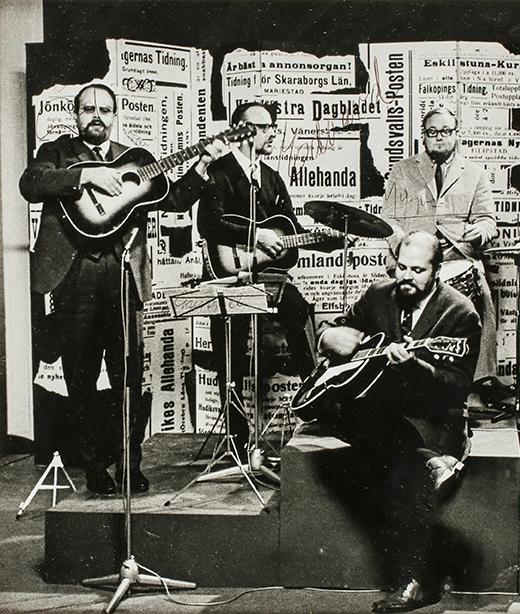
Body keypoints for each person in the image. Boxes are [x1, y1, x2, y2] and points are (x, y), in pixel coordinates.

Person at [19, 82, 224, 495]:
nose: (97, 115)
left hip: (123, 277)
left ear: (116, 115)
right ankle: (95, 468)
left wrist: (201, 166)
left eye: (105, 109)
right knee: (81, 379)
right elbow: (32, 183)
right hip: (77, 279)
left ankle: (130, 462)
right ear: (76, 115)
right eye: (88, 108)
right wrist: (87, 174)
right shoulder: (56, 152)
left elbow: (175, 200)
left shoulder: (137, 160)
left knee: (128, 377)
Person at [318, 231, 481, 613]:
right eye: (402, 267)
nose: (406, 276)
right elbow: (337, 327)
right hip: (377, 413)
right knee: (337, 408)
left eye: (417, 270)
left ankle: (421, 581)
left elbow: (456, 388)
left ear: (437, 271)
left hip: (431, 417)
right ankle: (427, 460)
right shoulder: (379, 293)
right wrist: (330, 336)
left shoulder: (460, 313)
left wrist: (417, 366)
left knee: (401, 477)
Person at [197, 101, 333, 454]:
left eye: (273, 125)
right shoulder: (219, 172)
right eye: (267, 126)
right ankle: (238, 438)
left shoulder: (271, 177)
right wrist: (256, 237)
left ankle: (315, 402)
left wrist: (323, 242)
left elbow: (290, 230)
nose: (273, 132)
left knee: (298, 311)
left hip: (267, 276)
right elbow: (208, 225)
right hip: (226, 274)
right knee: (232, 347)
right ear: (244, 129)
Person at [382, 106, 499, 404]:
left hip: (457, 257)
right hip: (414, 260)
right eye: (432, 133)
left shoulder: (474, 173)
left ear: (456, 135)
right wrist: (405, 253)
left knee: (482, 297)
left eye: (446, 132)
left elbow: (488, 220)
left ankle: (474, 380)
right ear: (423, 136)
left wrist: (480, 232)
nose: (439, 138)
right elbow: (388, 222)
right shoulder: (402, 170)